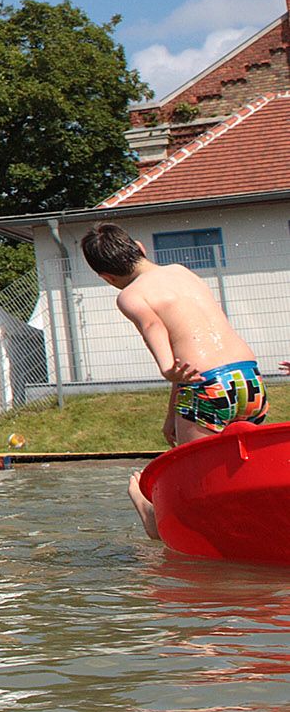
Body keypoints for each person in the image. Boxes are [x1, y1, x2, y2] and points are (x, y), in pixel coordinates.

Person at [82, 222, 268, 540]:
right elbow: (191, 360)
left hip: (205, 389)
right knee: (247, 474)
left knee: (196, 486)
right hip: (249, 380)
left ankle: (151, 514)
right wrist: (172, 413)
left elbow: (154, 327)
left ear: (107, 278)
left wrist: (165, 366)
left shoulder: (130, 295)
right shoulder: (182, 272)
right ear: (140, 247)